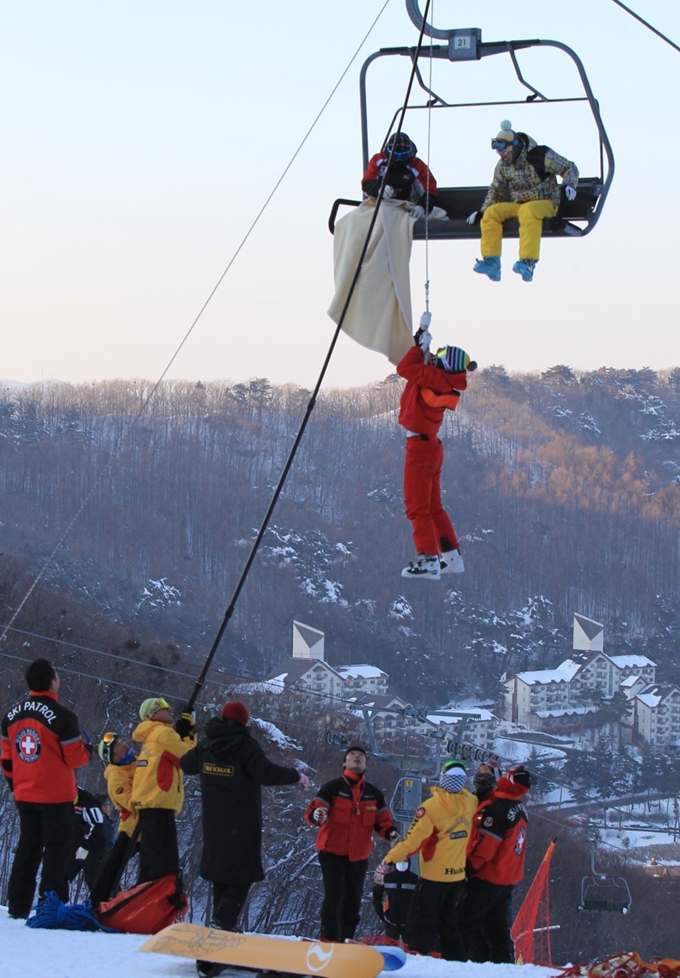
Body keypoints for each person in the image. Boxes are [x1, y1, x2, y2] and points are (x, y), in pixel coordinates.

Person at [181, 701, 309, 978]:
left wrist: (185, 733)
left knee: (220, 872)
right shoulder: (245, 747)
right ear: (243, 722)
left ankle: (222, 922)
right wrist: (294, 775)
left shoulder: (206, 745)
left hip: (213, 821)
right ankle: (224, 925)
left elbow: (186, 765)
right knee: (241, 872)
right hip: (241, 820)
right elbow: (266, 773)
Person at [0, 658, 91, 917]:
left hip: (25, 794)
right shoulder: (63, 717)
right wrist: (88, 751)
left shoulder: (11, 716)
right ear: (52, 682)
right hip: (56, 796)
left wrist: (15, 787)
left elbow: (6, 760)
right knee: (57, 850)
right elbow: (75, 758)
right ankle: (51, 905)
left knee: (27, 848)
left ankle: (17, 906)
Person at [397, 314, 477, 580]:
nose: (435, 355)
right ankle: (451, 556)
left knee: (416, 506)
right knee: (433, 507)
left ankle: (428, 558)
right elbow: (417, 370)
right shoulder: (442, 380)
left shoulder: (432, 378)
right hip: (430, 447)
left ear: (443, 365)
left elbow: (405, 369)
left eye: (439, 355)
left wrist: (418, 348)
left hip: (419, 448)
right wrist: (420, 336)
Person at [377, 760, 477, 960]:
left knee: (419, 920)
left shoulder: (431, 808)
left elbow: (412, 843)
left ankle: (417, 957)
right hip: (457, 876)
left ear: (442, 778)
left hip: (433, 877)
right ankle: (457, 961)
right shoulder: (471, 802)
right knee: (448, 922)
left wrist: (388, 859)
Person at [304, 743, 399, 943]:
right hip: (331, 851)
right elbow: (315, 810)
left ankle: (346, 938)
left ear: (366, 764)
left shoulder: (373, 794)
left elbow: (383, 821)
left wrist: (391, 834)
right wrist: (317, 814)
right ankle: (329, 938)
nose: (357, 757)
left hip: (358, 855)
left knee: (353, 900)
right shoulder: (333, 788)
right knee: (334, 896)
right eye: (352, 755)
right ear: (344, 762)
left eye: (361, 756)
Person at [469, 120, 579, 282]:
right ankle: (491, 261)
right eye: (500, 153)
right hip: (520, 205)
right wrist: (483, 211)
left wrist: (570, 184)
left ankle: (528, 261)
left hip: (546, 202)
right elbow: (496, 191)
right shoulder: (503, 166)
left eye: (506, 152)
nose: (503, 156)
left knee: (529, 211)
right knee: (493, 213)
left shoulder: (540, 156)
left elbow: (569, 168)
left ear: (515, 146)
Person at [460, 764, 534, 963]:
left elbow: (486, 847)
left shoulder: (498, 808)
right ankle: (502, 965)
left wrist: (469, 867)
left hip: (489, 875)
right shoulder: (519, 808)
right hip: (508, 876)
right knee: (496, 924)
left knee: (465, 918)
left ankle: (459, 962)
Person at [130, 696, 196, 884]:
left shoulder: (153, 735)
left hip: (149, 805)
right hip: (160, 804)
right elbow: (188, 759)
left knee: (150, 862)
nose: (169, 709)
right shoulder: (164, 734)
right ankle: (160, 900)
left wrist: (181, 732)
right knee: (165, 863)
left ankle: (142, 898)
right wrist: (190, 730)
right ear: (154, 714)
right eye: (163, 707)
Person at [89, 732, 139, 906]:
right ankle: (99, 902)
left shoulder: (137, 762)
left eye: (122, 741)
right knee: (113, 867)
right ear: (113, 755)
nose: (124, 744)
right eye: (118, 745)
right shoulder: (116, 777)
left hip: (149, 827)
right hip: (133, 829)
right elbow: (132, 802)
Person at [362, 131, 438, 220]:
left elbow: (430, 191)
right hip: (377, 205)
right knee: (360, 217)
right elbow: (366, 183)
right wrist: (379, 189)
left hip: (405, 207)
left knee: (391, 217)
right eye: (395, 156)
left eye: (402, 156)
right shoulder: (378, 161)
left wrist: (422, 207)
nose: (398, 159)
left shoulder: (417, 166)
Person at [68, 786, 111, 895]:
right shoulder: (77, 806)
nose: (109, 809)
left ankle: (106, 904)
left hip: (93, 851)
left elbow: (101, 833)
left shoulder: (91, 808)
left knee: (99, 884)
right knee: (61, 877)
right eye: (108, 806)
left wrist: (87, 846)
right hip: (79, 848)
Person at [371, 859, 418, 942]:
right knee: (390, 950)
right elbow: (376, 895)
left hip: (409, 923)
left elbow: (422, 899)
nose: (402, 864)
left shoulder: (414, 879)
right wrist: (382, 916)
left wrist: (417, 916)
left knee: (412, 952)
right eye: (400, 861)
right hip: (391, 922)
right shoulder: (388, 878)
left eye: (405, 861)